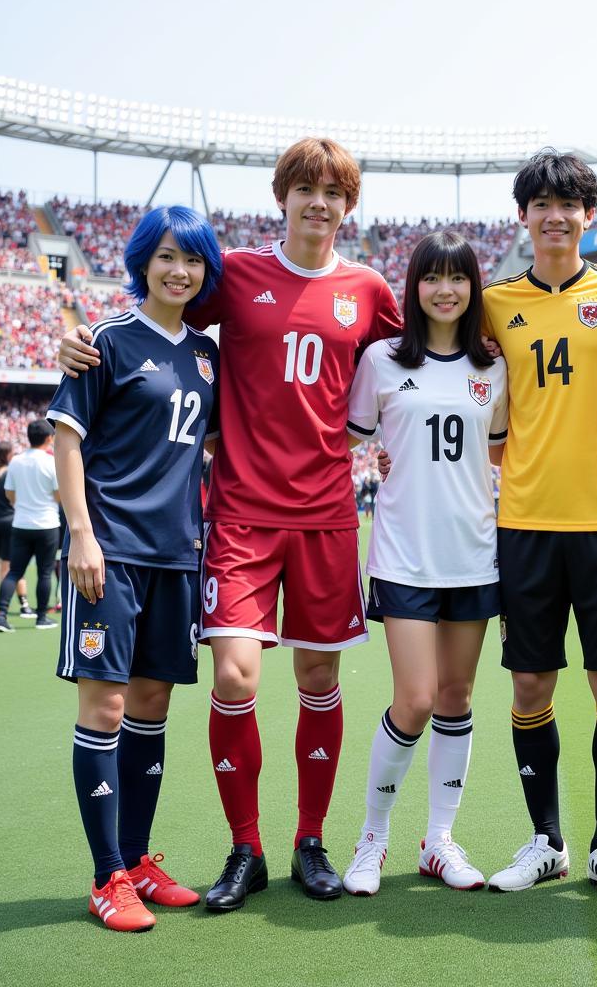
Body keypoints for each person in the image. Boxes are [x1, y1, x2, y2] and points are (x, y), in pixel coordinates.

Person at [60, 138, 402, 910]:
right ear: (281, 196)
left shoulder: (370, 288)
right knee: (236, 676)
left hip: (325, 519)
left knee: (319, 677)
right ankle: (244, 845)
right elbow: (159, 314)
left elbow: (428, 354)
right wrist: (79, 337)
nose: (319, 202)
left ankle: (308, 839)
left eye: (334, 192)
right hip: (241, 516)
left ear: (349, 205)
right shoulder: (237, 274)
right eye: (305, 188)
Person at [47, 205, 222, 932]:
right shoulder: (106, 343)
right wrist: (81, 535)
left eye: (194, 260)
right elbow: (67, 439)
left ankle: (140, 860)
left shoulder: (209, 356)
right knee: (107, 709)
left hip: (178, 557)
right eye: (168, 257)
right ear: (143, 262)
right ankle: (104, 875)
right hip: (109, 553)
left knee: (153, 707)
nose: (180, 271)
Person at [481, 150, 597, 900]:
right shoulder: (492, 302)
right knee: (528, 684)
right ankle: (546, 840)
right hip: (523, 522)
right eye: (541, 204)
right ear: (524, 216)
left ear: (588, 214)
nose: (555, 216)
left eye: (568, 204)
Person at [341, 231, 508, 895]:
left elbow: (496, 454)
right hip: (404, 556)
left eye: (458, 278)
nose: (446, 289)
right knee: (413, 699)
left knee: (456, 697)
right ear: (413, 288)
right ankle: (372, 837)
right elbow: (348, 439)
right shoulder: (381, 359)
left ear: (473, 288)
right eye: (432, 278)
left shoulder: (491, 368)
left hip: (473, 554)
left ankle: (439, 840)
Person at [0, 420, 60, 632]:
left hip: (21, 523)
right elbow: (59, 495)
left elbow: (9, 493)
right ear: (49, 438)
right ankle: (41, 617)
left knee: (14, 572)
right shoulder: (51, 462)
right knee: (45, 573)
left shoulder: (16, 461)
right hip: (47, 523)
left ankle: (1, 616)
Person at [0, 441, 36, 619]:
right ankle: (21, 605)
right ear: (6, 454)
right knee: (11, 567)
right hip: (9, 521)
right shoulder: (10, 471)